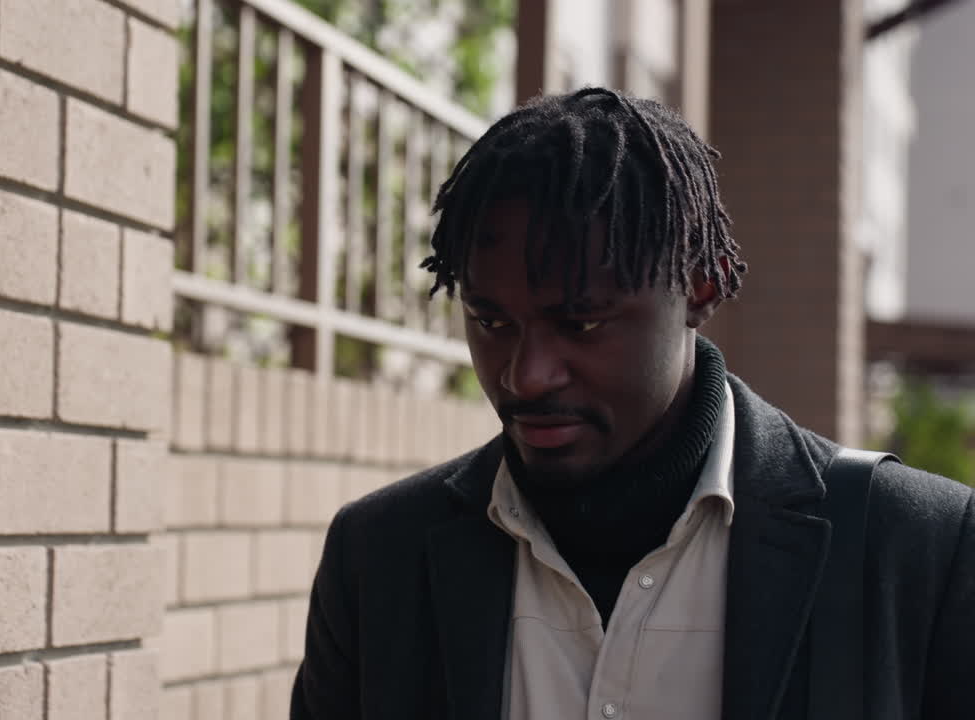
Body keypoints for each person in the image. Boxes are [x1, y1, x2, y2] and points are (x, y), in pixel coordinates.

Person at [290, 88, 974, 719]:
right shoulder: (378, 557)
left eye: (580, 323)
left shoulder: (920, 548)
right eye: (491, 322)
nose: (526, 376)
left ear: (700, 287)